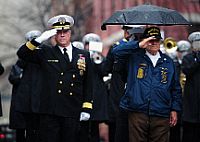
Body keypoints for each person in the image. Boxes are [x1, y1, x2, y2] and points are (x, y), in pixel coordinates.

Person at [16, 15, 93, 142]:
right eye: (58, 32)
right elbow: (22, 53)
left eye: (65, 31)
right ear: (54, 35)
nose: (62, 35)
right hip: (50, 112)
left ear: (70, 33)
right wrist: (40, 39)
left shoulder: (83, 54)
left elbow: (88, 83)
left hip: (73, 110)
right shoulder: (46, 52)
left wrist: (86, 108)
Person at [112, 26, 182, 142]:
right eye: (150, 40)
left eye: (156, 40)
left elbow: (175, 88)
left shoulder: (168, 62)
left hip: (161, 112)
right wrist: (138, 45)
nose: (154, 43)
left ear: (160, 41)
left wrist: (174, 109)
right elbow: (116, 51)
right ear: (145, 41)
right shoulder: (134, 58)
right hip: (137, 111)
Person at [8, 30, 42, 142]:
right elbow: (13, 78)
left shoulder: (43, 60)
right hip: (22, 105)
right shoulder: (21, 61)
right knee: (21, 135)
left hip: (38, 106)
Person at [78, 33, 109, 142]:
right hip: (83, 97)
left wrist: (97, 59)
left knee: (95, 129)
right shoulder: (80, 57)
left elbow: (104, 71)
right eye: (88, 44)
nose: (89, 47)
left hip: (96, 98)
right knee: (82, 129)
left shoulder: (100, 58)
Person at [169, 40, 191, 142]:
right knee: (174, 128)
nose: (182, 54)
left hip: (188, 98)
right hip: (176, 98)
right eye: (181, 51)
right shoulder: (173, 64)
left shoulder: (189, 62)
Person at [182, 31, 200, 142]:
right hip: (191, 99)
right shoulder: (187, 58)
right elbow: (187, 70)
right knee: (189, 131)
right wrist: (197, 60)